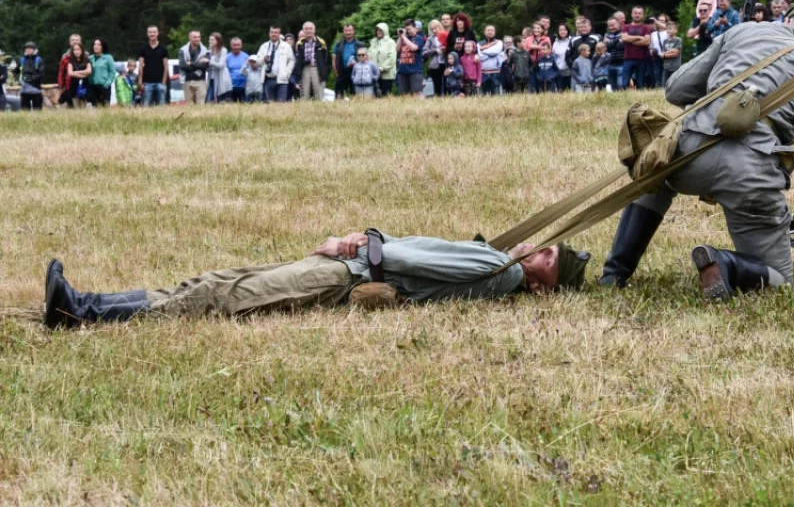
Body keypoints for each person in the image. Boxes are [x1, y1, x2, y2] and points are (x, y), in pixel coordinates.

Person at [600, 4, 794, 297]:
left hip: (685, 152)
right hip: (749, 176)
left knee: (653, 173)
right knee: (779, 282)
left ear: (787, 20)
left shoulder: (740, 31)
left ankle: (614, 275)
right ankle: (724, 263)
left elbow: (676, 89)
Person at [41, 231, 590, 328]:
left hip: (343, 275)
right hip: (349, 270)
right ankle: (86, 305)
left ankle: (83, 313)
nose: (539, 251)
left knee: (220, 295)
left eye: (549, 259)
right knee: (214, 284)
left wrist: (353, 244)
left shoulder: (498, 268)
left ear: (542, 286)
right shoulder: (498, 264)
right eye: (546, 247)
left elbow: (411, 262)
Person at [256, 26, 295, 102]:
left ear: (279, 34)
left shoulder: (286, 46)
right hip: (268, 79)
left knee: (281, 103)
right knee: (270, 104)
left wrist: (287, 73)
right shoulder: (264, 46)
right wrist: (264, 59)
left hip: (281, 79)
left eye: (276, 32)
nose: (274, 34)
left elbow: (291, 60)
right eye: (272, 32)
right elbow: (257, 61)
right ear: (269, 33)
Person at [293, 22, 330, 102]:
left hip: (317, 68)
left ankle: (319, 109)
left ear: (314, 30)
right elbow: (298, 59)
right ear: (303, 30)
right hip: (305, 68)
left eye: (310, 29)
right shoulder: (300, 43)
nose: (308, 31)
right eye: (306, 29)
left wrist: (324, 71)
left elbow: (326, 58)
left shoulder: (321, 42)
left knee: (318, 92)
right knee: (304, 93)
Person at [621, 6, 652, 90]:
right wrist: (639, 37)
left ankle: (639, 100)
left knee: (640, 84)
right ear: (632, 14)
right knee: (624, 83)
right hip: (628, 58)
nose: (637, 15)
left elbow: (646, 42)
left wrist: (630, 40)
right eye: (635, 13)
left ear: (642, 15)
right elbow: (624, 38)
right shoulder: (626, 27)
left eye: (639, 13)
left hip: (642, 59)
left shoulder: (646, 27)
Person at [138, 25, 169, 107]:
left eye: (154, 32)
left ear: (157, 33)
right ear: (147, 34)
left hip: (160, 82)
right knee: (146, 106)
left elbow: (166, 67)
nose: (152, 34)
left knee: (162, 106)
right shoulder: (143, 48)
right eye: (150, 32)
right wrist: (140, 82)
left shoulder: (163, 48)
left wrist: (163, 83)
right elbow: (140, 66)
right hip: (147, 82)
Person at [332, 24, 364, 100]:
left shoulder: (359, 44)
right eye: (346, 30)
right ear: (343, 32)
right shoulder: (338, 44)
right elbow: (334, 59)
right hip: (341, 73)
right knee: (339, 96)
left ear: (353, 31)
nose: (348, 32)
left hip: (355, 73)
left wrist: (356, 64)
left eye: (350, 30)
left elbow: (365, 60)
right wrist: (336, 73)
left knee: (355, 96)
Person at [395, 19, 426, 98]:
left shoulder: (419, 38)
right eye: (407, 29)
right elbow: (397, 49)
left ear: (415, 28)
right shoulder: (403, 38)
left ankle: (422, 108)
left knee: (418, 92)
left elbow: (414, 48)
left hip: (415, 70)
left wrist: (404, 38)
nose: (408, 31)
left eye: (410, 29)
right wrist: (400, 37)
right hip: (403, 70)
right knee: (404, 94)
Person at [178, 31, 210, 105]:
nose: (197, 39)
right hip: (187, 81)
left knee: (201, 105)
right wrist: (198, 64)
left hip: (200, 81)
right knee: (189, 106)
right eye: (195, 37)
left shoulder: (205, 50)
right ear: (190, 38)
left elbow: (205, 66)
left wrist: (191, 64)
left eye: (199, 37)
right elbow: (182, 65)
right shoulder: (183, 50)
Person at [368, 23, 396, 97]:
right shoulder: (373, 42)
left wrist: (381, 68)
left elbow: (392, 58)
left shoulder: (391, 42)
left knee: (386, 96)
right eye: (377, 30)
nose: (378, 32)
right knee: (375, 96)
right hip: (374, 74)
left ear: (385, 30)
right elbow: (369, 55)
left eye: (380, 30)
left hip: (386, 74)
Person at [88, 38, 116, 107]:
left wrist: (107, 83)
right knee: (95, 106)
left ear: (103, 46)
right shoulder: (90, 58)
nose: (96, 46)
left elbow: (112, 71)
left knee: (105, 107)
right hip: (92, 86)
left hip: (104, 85)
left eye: (98, 45)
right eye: (94, 44)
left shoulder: (108, 57)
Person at [478, 25, 505, 96]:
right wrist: (491, 53)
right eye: (488, 30)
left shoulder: (499, 42)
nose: (490, 32)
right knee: (483, 96)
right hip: (483, 73)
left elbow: (495, 51)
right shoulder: (479, 44)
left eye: (492, 30)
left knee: (497, 96)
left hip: (496, 73)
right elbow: (481, 57)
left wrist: (483, 50)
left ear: (495, 32)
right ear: (484, 32)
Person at [18, 42, 45, 111]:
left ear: (34, 50)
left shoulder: (39, 60)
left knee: (37, 111)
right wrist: (18, 80)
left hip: (36, 88)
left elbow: (41, 74)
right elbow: (16, 71)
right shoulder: (22, 60)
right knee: (25, 111)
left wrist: (31, 78)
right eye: (27, 48)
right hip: (24, 89)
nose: (28, 50)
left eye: (30, 48)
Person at [56, 34, 82, 107]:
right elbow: (61, 72)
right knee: (71, 105)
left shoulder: (86, 55)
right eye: (73, 40)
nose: (75, 42)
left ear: (81, 42)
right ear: (70, 42)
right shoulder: (65, 56)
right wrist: (61, 85)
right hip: (68, 84)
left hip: (82, 84)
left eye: (77, 40)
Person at [207, 33, 232, 103]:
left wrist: (209, 62)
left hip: (221, 78)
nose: (210, 41)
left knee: (221, 100)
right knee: (208, 100)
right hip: (211, 78)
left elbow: (220, 65)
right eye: (209, 39)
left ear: (218, 41)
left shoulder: (223, 50)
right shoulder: (209, 51)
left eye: (212, 40)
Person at [65, 42, 91, 108]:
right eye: (74, 50)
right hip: (74, 85)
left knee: (84, 105)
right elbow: (70, 73)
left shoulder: (86, 60)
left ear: (82, 50)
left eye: (78, 49)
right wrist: (83, 74)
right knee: (76, 106)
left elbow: (89, 71)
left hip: (84, 84)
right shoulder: (71, 61)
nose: (76, 51)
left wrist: (76, 72)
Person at [423, 20, 445, 96]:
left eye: (436, 28)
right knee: (437, 85)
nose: (434, 30)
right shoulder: (430, 39)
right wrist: (435, 50)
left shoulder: (446, 35)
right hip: (435, 65)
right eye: (432, 29)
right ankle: (438, 100)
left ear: (440, 27)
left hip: (446, 62)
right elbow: (425, 52)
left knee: (446, 84)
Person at [603, 17, 625, 91]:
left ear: (618, 23)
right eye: (609, 26)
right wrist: (617, 40)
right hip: (610, 64)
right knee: (613, 87)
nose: (611, 27)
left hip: (621, 63)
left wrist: (610, 42)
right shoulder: (606, 35)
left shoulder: (624, 33)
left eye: (613, 25)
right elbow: (606, 47)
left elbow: (621, 46)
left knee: (620, 85)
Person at [648, 14, 669, 88]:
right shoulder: (653, 34)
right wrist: (651, 52)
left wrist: (656, 21)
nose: (659, 22)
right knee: (657, 76)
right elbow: (651, 47)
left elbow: (668, 27)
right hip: (657, 57)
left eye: (662, 21)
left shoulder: (668, 32)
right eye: (659, 20)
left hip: (667, 56)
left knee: (666, 77)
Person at [551, 23, 573, 92]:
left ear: (567, 31)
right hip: (560, 71)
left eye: (564, 30)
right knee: (560, 92)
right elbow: (553, 56)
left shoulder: (572, 41)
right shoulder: (555, 43)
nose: (562, 32)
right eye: (560, 30)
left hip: (570, 71)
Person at [226, 38, 249, 103]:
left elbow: (250, 72)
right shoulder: (227, 57)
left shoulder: (246, 57)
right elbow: (224, 73)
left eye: (238, 45)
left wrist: (247, 83)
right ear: (231, 46)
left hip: (243, 87)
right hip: (231, 87)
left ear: (241, 46)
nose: (236, 47)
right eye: (234, 45)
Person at [660, 21, 682, 88]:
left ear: (676, 30)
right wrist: (671, 51)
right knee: (664, 85)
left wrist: (665, 54)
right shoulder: (665, 41)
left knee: (675, 85)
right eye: (667, 29)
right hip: (666, 67)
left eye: (670, 28)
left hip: (675, 67)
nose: (668, 30)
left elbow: (676, 53)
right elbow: (663, 53)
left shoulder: (678, 40)